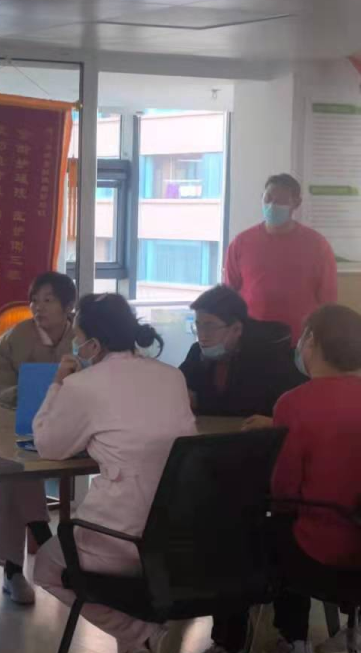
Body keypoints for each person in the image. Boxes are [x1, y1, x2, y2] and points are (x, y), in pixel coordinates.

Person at [32, 294, 197, 653]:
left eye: (78, 337)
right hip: (178, 535)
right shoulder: (172, 377)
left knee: (46, 566)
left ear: (93, 344)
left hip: (120, 536)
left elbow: (48, 445)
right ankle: (143, 639)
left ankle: (143, 635)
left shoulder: (83, 385)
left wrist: (58, 382)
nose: (75, 344)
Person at [214, 305, 361, 653]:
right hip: (357, 544)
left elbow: (283, 492)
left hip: (319, 550)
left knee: (242, 532)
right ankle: (294, 638)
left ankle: (241, 642)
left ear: (312, 341)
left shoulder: (295, 403)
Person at [0, 271, 77, 605]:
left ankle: (21, 565)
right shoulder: (15, 338)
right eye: (34, 301)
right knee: (15, 469)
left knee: (16, 472)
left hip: (74, 427)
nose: (38, 308)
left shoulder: (83, 337)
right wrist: (26, 391)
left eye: (48, 300)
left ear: (68, 306)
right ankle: (31, 554)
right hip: (23, 426)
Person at [225, 173, 337, 344]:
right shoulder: (241, 242)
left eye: (281, 200)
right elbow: (229, 294)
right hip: (251, 337)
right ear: (261, 197)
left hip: (299, 340)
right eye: (268, 198)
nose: (272, 205)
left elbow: (328, 300)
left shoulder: (317, 245)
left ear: (296, 203)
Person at [180, 285, 304, 419]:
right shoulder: (196, 352)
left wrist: (200, 401)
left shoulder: (267, 358)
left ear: (237, 329)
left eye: (210, 327)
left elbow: (248, 407)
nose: (202, 335)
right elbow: (177, 386)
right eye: (198, 326)